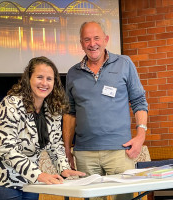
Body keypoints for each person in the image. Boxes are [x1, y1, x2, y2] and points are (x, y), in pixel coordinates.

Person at [0, 56, 85, 200]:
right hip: (1, 171)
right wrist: (39, 174)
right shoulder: (11, 105)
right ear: (28, 79)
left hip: (29, 174)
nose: (44, 83)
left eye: (49, 79)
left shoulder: (53, 108)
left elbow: (56, 145)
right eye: (39, 77)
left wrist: (64, 168)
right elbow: (7, 149)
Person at [63, 21, 148, 200]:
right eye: (87, 39)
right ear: (81, 44)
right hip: (85, 154)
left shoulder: (124, 63)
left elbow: (139, 101)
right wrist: (67, 150)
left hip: (120, 152)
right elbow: (70, 113)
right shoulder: (73, 73)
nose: (92, 44)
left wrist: (140, 137)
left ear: (106, 39)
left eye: (96, 38)